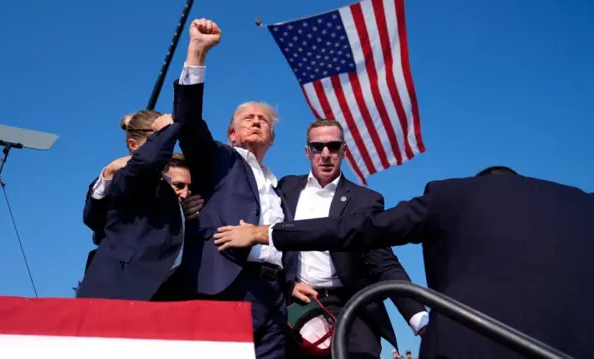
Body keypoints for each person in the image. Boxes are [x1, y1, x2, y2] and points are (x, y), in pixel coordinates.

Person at [213, 166, 594, 359]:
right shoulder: (583, 205)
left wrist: (268, 233)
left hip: (472, 340)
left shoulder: (452, 195)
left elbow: (363, 233)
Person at [172, 18, 297, 359]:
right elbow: (189, 122)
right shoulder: (220, 159)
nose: (258, 122)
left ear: (271, 136)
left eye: (264, 120)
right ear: (232, 133)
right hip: (228, 283)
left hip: (274, 297)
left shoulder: (277, 185)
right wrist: (197, 52)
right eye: (249, 118)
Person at [279, 119, 428, 359]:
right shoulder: (286, 188)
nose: (326, 154)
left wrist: (420, 321)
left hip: (353, 307)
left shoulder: (365, 200)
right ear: (307, 152)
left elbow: (384, 262)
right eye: (318, 147)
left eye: (333, 146)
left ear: (344, 151)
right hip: (299, 306)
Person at [78, 110, 184, 301]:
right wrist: (167, 130)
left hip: (155, 293)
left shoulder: (165, 189)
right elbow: (150, 159)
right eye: (158, 139)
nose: (168, 147)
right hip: (119, 290)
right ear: (133, 146)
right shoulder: (127, 175)